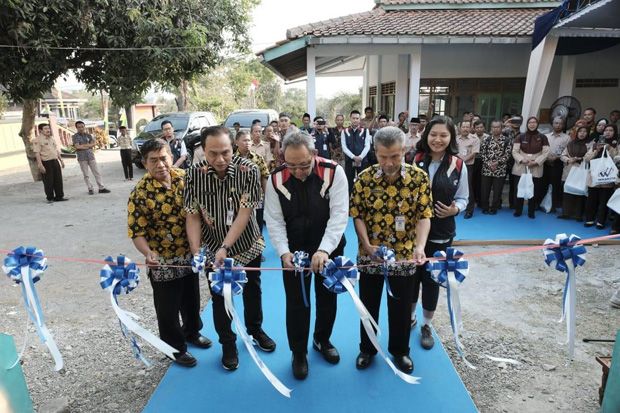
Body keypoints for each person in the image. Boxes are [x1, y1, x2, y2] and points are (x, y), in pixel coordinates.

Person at [185, 126, 275, 371]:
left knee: (252, 291)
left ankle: (255, 330)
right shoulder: (193, 174)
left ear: (233, 147)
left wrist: (226, 246)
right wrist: (196, 250)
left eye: (225, 152)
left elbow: (245, 213)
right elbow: (192, 215)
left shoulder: (249, 170)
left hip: (246, 244)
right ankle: (228, 343)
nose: (220, 159)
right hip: (212, 249)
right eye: (212, 153)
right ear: (202, 150)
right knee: (219, 298)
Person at [264, 131, 348, 380]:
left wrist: (324, 249)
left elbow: (339, 215)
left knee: (327, 298)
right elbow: (274, 220)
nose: (298, 171)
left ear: (314, 154)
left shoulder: (334, 172)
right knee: (297, 302)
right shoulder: (276, 179)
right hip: (294, 251)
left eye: (303, 165)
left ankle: (322, 340)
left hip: (329, 248)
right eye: (291, 165)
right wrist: (283, 252)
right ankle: (298, 352)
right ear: (283, 159)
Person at [350, 126, 432, 374]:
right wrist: (365, 243)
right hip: (370, 256)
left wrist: (420, 246)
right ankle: (367, 348)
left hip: (404, 256)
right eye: (383, 156)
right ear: (375, 151)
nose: (388, 162)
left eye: (395, 156)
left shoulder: (419, 179)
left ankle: (400, 351)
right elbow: (358, 215)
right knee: (368, 305)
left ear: (404, 151)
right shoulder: (363, 179)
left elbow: (424, 216)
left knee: (400, 307)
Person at [127, 138, 212, 368]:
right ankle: (174, 348)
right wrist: (147, 253)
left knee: (191, 298)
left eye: (163, 158)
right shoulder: (140, 193)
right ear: (145, 163)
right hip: (162, 261)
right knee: (167, 308)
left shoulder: (186, 179)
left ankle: (192, 332)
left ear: (171, 158)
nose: (160, 164)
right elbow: (137, 231)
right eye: (153, 160)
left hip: (189, 254)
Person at [410, 116, 468, 349]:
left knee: (432, 279)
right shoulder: (415, 159)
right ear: (426, 135)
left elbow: (464, 198)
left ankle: (426, 324)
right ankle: (410, 317)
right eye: (433, 134)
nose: (438, 139)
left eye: (443, 135)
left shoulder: (458, 165)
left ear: (451, 137)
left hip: (441, 232)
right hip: (413, 233)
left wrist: (454, 209)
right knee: (412, 278)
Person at [512, 117, 550, 219]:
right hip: (521, 166)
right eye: (530, 122)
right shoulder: (520, 136)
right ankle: (518, 210)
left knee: (534, 190)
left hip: (536, 167)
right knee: (519, 188)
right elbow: (515, 151)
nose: (532, 124)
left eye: (534, 122)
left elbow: (546, 153)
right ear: (527, 124)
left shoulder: (543, 137)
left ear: (537, 124)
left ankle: (531, 211)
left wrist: (536, 162)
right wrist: (522, 159)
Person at [583, 124, 619, 229]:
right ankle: (589, 219)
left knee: (604, 202)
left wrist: (609, 149)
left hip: (607, 178)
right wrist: (597, 150)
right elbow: (586, 159)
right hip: (594, 177)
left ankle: (600, 221)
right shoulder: (595, 144)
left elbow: (617, 159)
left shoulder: (616, 145)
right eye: (606, 130)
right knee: (591, 200)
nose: (607, 132)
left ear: (614, 132)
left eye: (611, 130)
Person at [235, 131, 269, 234]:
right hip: (238, 197)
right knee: (240, 225)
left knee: (258, 225)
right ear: (236, 142)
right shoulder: (232, 160)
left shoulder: (258, 158)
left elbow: (264, 176)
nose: (247, 143)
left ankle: (258, 243)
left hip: (257, 196)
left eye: (249, 140)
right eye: (244, 140)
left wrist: (266, 196)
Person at [558, 126, 590, 221]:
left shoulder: (589, 145)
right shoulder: (571, 144)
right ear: (577, 133)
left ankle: (578, 215)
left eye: (585, 131)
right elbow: (562, 156)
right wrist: (569, 159)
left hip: (581, 171)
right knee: (568, 192)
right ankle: (566, 213)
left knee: (580, 193)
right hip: (569, 170)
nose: (582, 133)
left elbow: (591, 156)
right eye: (580, 131)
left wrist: (580, 159)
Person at [479, 120, 512, 214]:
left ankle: (494, 208)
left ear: (501, 128)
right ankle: (485, 207)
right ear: (491, 128)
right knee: (485, 190)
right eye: (493, 127)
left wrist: (497, 163)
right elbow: (482, 153)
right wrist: (489, 163)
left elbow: (507, 155)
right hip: (486, 170)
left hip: (500, 170)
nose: (495, 129)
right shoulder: (487, 139)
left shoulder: (506, 140)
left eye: (497, 127)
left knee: (497, 191)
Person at [72, 120, 111, 195]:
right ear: (76, 128)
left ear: (84, 127)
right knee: (86, 174)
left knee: (97, 172)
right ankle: (90, 188)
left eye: (82, 127)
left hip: (91, 156)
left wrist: (83, 146)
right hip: (82, 158)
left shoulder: (89, 135)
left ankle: (101, 188)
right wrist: (88, 145)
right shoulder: (75, 136)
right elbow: (77, 146)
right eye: (79, 127)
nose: (81, 128)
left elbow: (93, 144)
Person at [542, 117, 570, 212]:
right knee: (543, 184)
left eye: (560, 123)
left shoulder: (567, 138)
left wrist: (556, 158)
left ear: (563, 125)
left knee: (555, 185)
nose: (558, 125)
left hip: (558, 164)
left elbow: (567, 152)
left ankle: (553, 206)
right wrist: (547, 158)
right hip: (545, 162)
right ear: (552, 124)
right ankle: (541, 204)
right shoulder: (546, 136)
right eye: (556, 123)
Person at [33, 123, 66, 203]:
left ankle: (59, 196)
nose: (48, 130)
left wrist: (61, 161)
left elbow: (56, 150)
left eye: (48, 128)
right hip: (46, 163)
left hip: (55, 161)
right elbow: (37, 153)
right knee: (48, 181)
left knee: (58, 180)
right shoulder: (37, 140)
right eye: (45, 129)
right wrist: (40, 165)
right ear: (40, 130)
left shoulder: (52, 138)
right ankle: (50, 197)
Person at [341, 110, 372, 192]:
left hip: (362, 161)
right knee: (349, 181)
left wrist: (360, 157)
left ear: (360, 119)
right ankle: (350, 200)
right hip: (349, 160)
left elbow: (367, 146)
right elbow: (344, 147)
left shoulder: (365, 131)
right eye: (353, 118)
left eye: (357, 118)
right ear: (350, 119)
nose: (355, 120)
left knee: (363, 181)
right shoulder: (344, 131)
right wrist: (353, 157)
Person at [456, 120, 479, 219]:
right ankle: (456, 207)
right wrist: (461, 159)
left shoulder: (475, 139)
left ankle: (469, 210)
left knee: (468, 187)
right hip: (456, 165)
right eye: (463, 127)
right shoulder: (455, 139)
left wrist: (464, 159)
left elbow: (474, 152)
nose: (465, 129)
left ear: (470, 128)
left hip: (469, 166)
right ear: (460, 128)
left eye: (467, 127)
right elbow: (453, 150)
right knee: (455, 185)